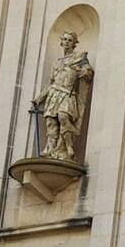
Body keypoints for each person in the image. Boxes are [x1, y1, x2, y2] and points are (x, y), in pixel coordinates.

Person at [34, 31, 94, 161]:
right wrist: (40, 98)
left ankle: (67, 146)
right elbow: (51, 83)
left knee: (63, 117)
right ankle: (50, 149)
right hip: (54, 94)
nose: (66, 42)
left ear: (74, 43)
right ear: (61, 42)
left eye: (70, 40)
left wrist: (84, 72)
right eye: (65, 39)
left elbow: (88, 71)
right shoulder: (57, 62)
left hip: (67, 94)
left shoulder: (79, 57)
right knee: (51, 122)